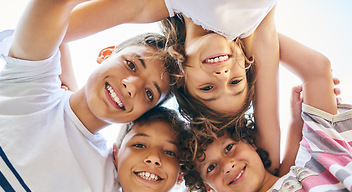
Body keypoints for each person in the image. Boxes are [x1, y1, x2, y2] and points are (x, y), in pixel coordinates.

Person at [0, 0, 180, 192]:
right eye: (131, 64)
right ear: (105, 54)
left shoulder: (103, 183)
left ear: (144, 114)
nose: (132, 87)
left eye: (149, 94)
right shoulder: (33, 80)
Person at [62, 0, 281, 174]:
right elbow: (268, 156)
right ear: (246, 61)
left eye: (207, 88)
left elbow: (52, 30)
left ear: (181, 77)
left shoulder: (155, 5)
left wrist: (69, 96)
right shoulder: (252, 24)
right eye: (236, 82)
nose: (223, 76)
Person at [181, 34, 352, 192]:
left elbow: (317, 69)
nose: (227, 165)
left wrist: (236, 34)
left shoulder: (317, 155)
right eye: (210, 168)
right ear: (208, 188)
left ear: (250, 142)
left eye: (229, 148)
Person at [20, 106, 247, 192]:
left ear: (180, 175)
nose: (154, 158)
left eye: (169, 152)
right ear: (115, 155)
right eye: (139, 145)